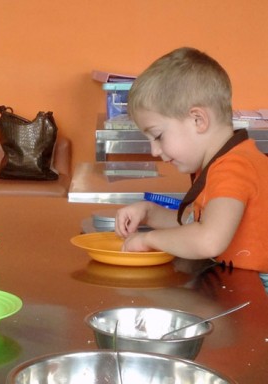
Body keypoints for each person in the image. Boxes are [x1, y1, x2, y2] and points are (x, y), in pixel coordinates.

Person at [115, 47, 268, 280]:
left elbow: (207, 240)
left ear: (198, 120)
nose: (155, 151)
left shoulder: (233, 168)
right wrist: (149, 214)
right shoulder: (220, 163)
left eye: (157, 136)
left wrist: (149, 239)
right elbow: (193, 225)